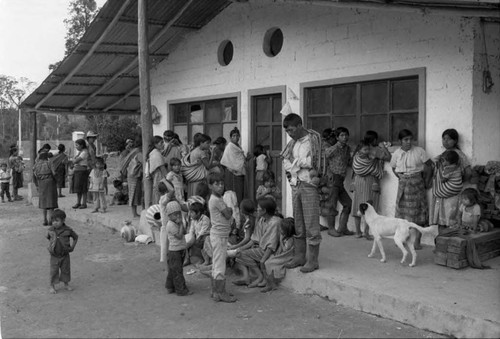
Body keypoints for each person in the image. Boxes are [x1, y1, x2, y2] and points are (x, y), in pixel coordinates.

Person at [281, 113, 323, 273]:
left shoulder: (313, 140)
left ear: (299, 126)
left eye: (291, 130)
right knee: (298, 222)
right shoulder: (293, 143)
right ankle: (299, 256)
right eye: (287, 131)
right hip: (295, 184)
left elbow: (315, 161)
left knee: (311, 222)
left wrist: (296, 163)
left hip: (309, 184)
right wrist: (296, 164)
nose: (290, 134)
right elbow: (285, 161)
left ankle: (313, 260)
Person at [390, 129, 433, 250]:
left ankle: (417, 242)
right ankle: (401, 239)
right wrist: (401, 177)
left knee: (419, 213)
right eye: (405, 140)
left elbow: (430, 165)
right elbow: (393, 168)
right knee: (402, 215)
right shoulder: (396, 153)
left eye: (410, 139)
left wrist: (426, 181)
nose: (409, 142)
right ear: (400, 141)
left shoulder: (419, 151)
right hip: (403, 185)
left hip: (417, 184)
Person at [351, 131, 391, 239]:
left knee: (357, 207)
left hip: (358, 181)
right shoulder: (375, 151)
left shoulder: (357, 152)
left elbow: (356, 167)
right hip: (370, 181)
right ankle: (365, 232)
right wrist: (383, 147)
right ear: (374, 140)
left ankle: (359, 232)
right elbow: (388, 157)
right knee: (369, 207)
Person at [234, 197, 281, 288]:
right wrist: (239, 249)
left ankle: (261, 277)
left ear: (264, 210)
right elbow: (254, 239)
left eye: (259, 208)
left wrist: (263, 259)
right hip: (262, 249)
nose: (257, 209)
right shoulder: (262, 220)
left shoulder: (275, 222)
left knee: (243, 254)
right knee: (240, 253)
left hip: (271, 252)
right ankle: (258, 277)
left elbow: (271, 245)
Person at [208, 172, 237, 302]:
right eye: (217, 184)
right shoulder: (216, 200)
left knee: (216, 263)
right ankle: (220, 292)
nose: (220, 186)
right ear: (210, 186)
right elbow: (227, 214)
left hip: (219, 235)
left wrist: (228, 211)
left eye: (221, 183)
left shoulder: (217, 199)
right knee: (220, 265)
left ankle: (215, 291)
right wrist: (229, 210)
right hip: (219, 236)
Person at [324, 127, 354, 237]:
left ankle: (342, 228)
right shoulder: (333, 148)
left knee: (348, 204)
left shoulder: (347, 149)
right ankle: (331, 228)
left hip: (341, 180)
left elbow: (349, 162)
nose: (344, 137)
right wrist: (328, 173)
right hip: (333, 179)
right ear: (337, 137)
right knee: (332, 205)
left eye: (346, 135)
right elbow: (324, 158)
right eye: (341, 135)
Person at [47, 209, 78, 294]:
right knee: (54, 271)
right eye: (53, 221)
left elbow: (76, 237)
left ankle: (66, 284)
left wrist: (72, 247)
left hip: (65, 255)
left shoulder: (68, 230)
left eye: (57, 221)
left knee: (65, 270)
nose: (54, 223)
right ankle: (52, 286)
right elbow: (49, 238)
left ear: (63, 220)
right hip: (54, 255)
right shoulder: (50, 230)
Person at [431, 150, 463, 233]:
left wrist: (440, 169)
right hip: (458, 188)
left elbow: (442, 180)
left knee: (447, 219)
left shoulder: (448, 169)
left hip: (452, 188)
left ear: (449, 162)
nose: (442, 162)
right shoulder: (457, 166)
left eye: (444, 161)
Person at [165, 200, 192, 296]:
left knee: (174, 270)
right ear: (169, 216)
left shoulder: (176, 223)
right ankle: (181, 290)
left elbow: (184, 231)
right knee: (177, 271)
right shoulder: (170, 225)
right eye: (175, 215)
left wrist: (181, 224)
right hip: (174, 251)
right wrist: (180, 224)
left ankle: (170, 287)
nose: (177, 216)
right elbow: (180, 236)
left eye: (179, 214)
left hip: (179, 250)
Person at [261, 217, 295, 293]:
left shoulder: (290, 240)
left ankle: (271, 284)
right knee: (268, 261)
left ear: (287, 231)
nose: (280, 230)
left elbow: (286, 250)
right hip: (281, 254)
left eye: (281, 229)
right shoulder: (285, 237)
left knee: (268, 263)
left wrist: (281, 239)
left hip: (286, 256)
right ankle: (269, 283)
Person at [230, 199, 256, 286]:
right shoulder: (253, 219)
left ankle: (246, 277)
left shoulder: (248, 222)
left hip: (251, 244)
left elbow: (247, 238)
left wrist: (236, 246)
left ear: (242, 211)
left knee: (238, 254)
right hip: (252, 243)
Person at [221, 127, 247, 204]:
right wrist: (232, 168)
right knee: (233, 195)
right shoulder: (229, 147)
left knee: (240, 192)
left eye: (237, 136)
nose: (236, 137)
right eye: (233, 136)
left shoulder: (238, 147)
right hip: (232, 173)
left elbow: (241, 159)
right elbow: (225, 161)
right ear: (230, 137)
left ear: (239, 137)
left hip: (239, 173)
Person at [33, 152, 58, 225]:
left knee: (43, 201)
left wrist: (37, 185)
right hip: (50, 183)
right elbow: (54, 173)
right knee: (51, 201)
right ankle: (51, 220)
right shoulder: (49, 163)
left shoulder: (36, 165)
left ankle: (44, 220)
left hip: (41, 183)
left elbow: (34, 175)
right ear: (46, 157)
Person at [184, 133, 212, 197]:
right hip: (199, 179)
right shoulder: (201, 153)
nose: (209, 145)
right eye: (207, 143)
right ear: (201, 143)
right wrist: (212, 154)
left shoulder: (194, 150)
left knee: (194, 196)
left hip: (193, 179)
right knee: (200, 196)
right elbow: (208, 166)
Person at [186, 201, 211, 265]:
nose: (190, 214)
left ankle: (206, 260)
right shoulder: (193, 220)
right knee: (185, 242)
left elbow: (203, 232)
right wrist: (190, 237)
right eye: (190, 212)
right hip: (198, 237)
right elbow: (191, 230)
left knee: (203, 239)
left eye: (192, 212)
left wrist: (196, 240)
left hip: (205, 237)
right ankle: (187, 258)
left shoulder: (205, 219)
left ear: (198, 213)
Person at [147, 135, 168, 204]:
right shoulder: (156, 154)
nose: (163, 144)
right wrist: (168, 179)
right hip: (159, 177)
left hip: (157, 177)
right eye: (161, 143)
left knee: (158, 195)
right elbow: (162, 168)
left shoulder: (155, 152)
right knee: (160, 196)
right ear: (155, 144)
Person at [126, 135, 143, 218]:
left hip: (131, 175)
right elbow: (144, 163)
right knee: (134, 195)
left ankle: (134, 213)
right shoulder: (139, 153)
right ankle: (134, 213)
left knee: (133, 194)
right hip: (135, 176)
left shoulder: (134, 151)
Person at [72, 139, 89, 209]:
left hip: (82, 171)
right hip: (78, 171)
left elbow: (75, 161)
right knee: (78, 188)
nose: (76, 147)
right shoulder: (81, 152)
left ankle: (84, 203)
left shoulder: (84, 152)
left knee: (83, 188)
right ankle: (78, 202)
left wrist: (74, 160)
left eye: (77, 145)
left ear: (81, 145)